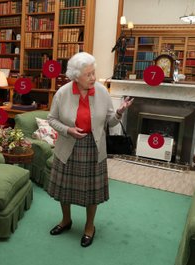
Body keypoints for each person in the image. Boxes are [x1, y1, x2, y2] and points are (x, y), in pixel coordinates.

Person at [46, 52, 133, 247]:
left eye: (94, 73)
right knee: (64, 188)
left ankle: (89, 226)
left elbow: (110, 122)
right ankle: (66, 220)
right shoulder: (63, 92)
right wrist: (68, 129)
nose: (93, 78)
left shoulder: (102, 91)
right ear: (76, 76)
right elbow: (51, 119)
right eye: (88, 74)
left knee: (91, 192)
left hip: (94, 146)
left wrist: (119, 112)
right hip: (68, 144)